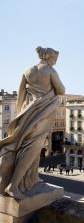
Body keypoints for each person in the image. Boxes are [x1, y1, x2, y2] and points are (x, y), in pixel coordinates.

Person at [0, 46, 64, 200]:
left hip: (27, 112)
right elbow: (61, 90)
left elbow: (20, 96)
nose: (56, 62)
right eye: (55, 59)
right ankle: (13, 185)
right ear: (49, 57)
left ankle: (32, 178)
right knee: (33, 147)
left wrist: (20, 115)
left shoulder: (27, 71)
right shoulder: (49, 71)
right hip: (41, 114)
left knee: (25, 145)